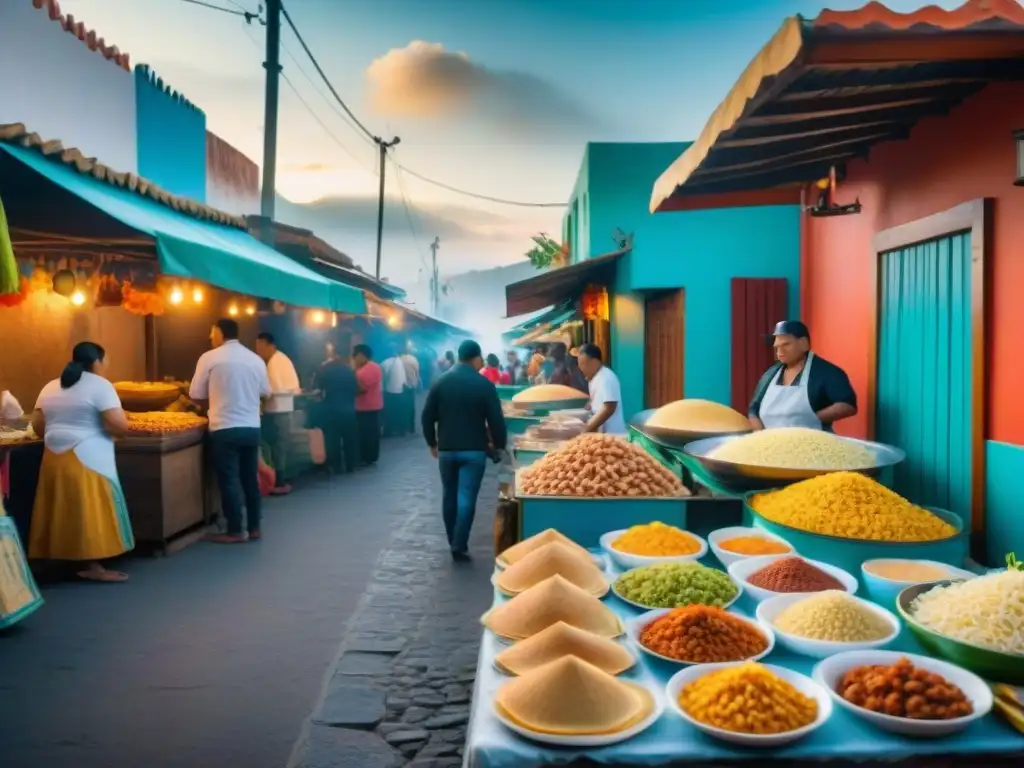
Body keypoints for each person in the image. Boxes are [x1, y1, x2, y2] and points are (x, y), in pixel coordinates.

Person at [28, 342, 134, 581]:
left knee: (60, 507)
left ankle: (59, 557)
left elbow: (37, 426)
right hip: (89, 455)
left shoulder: (50, 386)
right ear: (97, 361)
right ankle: (93, 565)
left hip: (54, 455)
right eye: (106, 360)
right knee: (88, 509)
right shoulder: (101, 386)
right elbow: (119, 425)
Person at [421, 340, 507, 562]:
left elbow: (426, 416)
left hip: (447, 450)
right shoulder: (483, 385)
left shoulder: (440, 382)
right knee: (466, 497)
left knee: (449, 495)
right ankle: (459, 544)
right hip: (474, 451)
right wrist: (499, 445)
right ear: (476, 358)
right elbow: (496, 420)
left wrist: (432, 442)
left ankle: (453, 540)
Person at [190, 319, 271, 544]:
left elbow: (195, 393)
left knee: (229, 480)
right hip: (252, 427)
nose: (210, 337)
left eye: (211, 332)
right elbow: (266, 392)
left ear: (219, 333)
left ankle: (235, 530)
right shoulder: (255, 359)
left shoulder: (210, 358)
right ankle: (254, 527)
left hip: (224, 427)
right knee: (249, 478)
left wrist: (214, 400)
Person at [748, 320, 857, 432]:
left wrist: (810, 420)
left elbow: (847, 405)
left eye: (786, 344)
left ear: (804, 344)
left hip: (812, 441)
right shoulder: (770, 375)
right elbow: (753, 410)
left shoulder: (827, 372)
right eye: (777, 347)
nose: (780, 351)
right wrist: (761, 436)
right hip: (771, 443)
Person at [256, 332, 301, 495]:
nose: (258, 350)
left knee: (277, 447)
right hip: (282, 409)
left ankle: (278, 480)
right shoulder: (281, 359)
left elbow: (270, 390)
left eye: (260, 346)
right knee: (280, 445)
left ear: (270, 345)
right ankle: (280, 478)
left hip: (276, 411)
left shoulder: (275, 363)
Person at [316, 340, 360, 474]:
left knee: (332, 439)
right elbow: (356, 388)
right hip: (349, 409)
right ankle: (351, 466)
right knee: (350, 438)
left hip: (331, 408)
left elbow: (319, 387)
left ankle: (335, 466)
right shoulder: (349, 370)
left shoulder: (325, 369)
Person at [576, 343, 627, 435]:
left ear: (595, 361)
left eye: (583, 364)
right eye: (580, 365)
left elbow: (609, 407)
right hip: (601, 434)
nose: (581, 369)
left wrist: (587, 428)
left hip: (613, 436)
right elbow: (595, 402)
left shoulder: (606, 377)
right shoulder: (594, 378)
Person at [353, 344, 383, 467]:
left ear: (361, 355)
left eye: (355, 355)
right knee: (367, 433)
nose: (354, 358)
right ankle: (367, 456)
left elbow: (362, 388)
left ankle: (369, 457)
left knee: (368, 433)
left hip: (368, 407)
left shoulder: (371, 368)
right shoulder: (364, 367)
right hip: (364, 406)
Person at [381, 345, 408, 437]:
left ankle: (388, 431)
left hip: (389, 391)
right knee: (399, 411)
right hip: (400, 390)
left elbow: (382, 378)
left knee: (388, 413)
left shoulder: (385, 363)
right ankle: (401, 430)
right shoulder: (400, 361)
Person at [400, 343, 421, 435]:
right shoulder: (413, 359)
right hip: (411, 385)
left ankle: (403, 427)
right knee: (411, 407)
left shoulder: (400, 359)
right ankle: (411, 427)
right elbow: (417, 373)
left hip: (401, 386)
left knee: (402, 407)